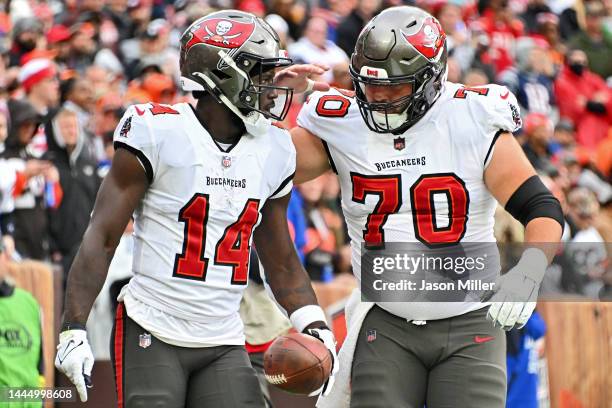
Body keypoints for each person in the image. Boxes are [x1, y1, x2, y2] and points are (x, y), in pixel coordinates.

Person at [54, 11, 338, 406]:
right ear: (224, 76)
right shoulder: (158, 131)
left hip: (223, 336)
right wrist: (73, 327)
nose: (272, 88)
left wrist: (314, 322)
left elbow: (280, 255)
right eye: (260, 74)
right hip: (153, 327)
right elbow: (102, 237)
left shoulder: (273, 148)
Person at [291, 6, 563, 407]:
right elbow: (265, 173)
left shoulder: (471, 117)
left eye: (395, 86)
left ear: (431, 79)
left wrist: (530, 269)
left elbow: (541, 207)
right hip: (385, 323)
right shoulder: (341, 122)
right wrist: (265, 106)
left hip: (471, 324)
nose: (378, 96)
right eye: (369, 84)